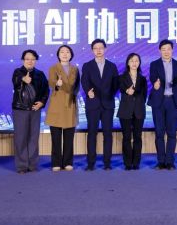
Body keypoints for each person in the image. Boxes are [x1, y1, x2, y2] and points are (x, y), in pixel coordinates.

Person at [81, 39, 119, 170]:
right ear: (92, 50)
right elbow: (84, 81)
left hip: (108, 104)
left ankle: (107, 163)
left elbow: (115, 84)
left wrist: (110, 95)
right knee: (92, 134)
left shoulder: (112, 66)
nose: (98, 50)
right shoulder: (87, 65)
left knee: (108, 134)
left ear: (105, 49)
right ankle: (91, 163)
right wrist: (88, 92)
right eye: (95, 48)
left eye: (101, 48)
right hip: (93, 104)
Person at [148, 39, 177, 170]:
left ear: (172, 50)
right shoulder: (154, 64)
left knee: (172, 133)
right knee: (159, 133)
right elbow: (152, 77)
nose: (166, 52)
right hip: (159, 102)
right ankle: (160, 161)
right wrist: (155, 84)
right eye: (163, 49)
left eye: (168, 49)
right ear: (160, 51)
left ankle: (170, 161)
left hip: (173, 102)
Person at [11, 49, 49, 174]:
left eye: (32, 59)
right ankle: (22, 166)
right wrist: (23, 79)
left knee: (33, 137)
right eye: (27, 59)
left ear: (36, 60)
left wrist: (42, 102)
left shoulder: (40, 74)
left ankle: (32, 164)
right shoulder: (18, 72)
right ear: (23, 60)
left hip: (35, 109)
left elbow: (46, 90)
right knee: (21, 137)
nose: (30, 61)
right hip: (20, 109)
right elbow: (15, 82)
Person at [45, 45, 80, 171]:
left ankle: (68, 162)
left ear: (71, 55)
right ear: (58, 55)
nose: (65, 54)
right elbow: (51, 83)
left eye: (67, 52)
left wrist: (62, 85)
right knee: (56, 137)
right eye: (62, 52)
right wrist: (56, 83)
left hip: (70, 104)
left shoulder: (75, 69)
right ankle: (56, 162)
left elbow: (74, 86)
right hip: (57, 105)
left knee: (69, 137)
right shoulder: (53, 68)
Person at [117, 53, 148, 170]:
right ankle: (127, 163)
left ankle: (136, 162)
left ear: (139, 63)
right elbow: (121, 88)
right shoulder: (121, 77)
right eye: (132, 61)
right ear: (128, 63)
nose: (134, 63)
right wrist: (126, 91)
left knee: (137, 137)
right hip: (125, 110)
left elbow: (144, 95)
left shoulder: (143, 79)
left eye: (136, 61)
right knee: (126, 137)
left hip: (139, 111)